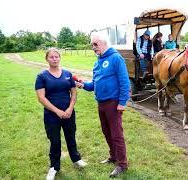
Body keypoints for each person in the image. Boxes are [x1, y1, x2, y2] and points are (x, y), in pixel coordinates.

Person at [76, 32, 130, 177]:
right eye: (92, 44)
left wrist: (122, 102)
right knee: (107, 132)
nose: (93, 47)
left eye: (95, 44)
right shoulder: (97, 61)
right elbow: (94, 83)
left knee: (116, 134)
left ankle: (122, 164)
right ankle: (113, 156)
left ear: (104, 43)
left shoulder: (116, 58)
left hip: (113, 103)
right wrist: (82, 85)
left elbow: (125, 82)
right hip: (101, 103)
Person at [35, 48, 87, 180]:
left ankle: (76, 159)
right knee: (55, 141)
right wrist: (57, 111)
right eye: (51, 57)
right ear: (47, 59)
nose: (54, 59)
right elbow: (41, 98)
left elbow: (74, 92)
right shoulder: (41, 76)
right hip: (52, 115)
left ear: (60, 58)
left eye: (56, 56)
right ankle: (54, 167)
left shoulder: (67, 74)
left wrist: (70, 109)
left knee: (71, 136)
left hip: (69, 113)